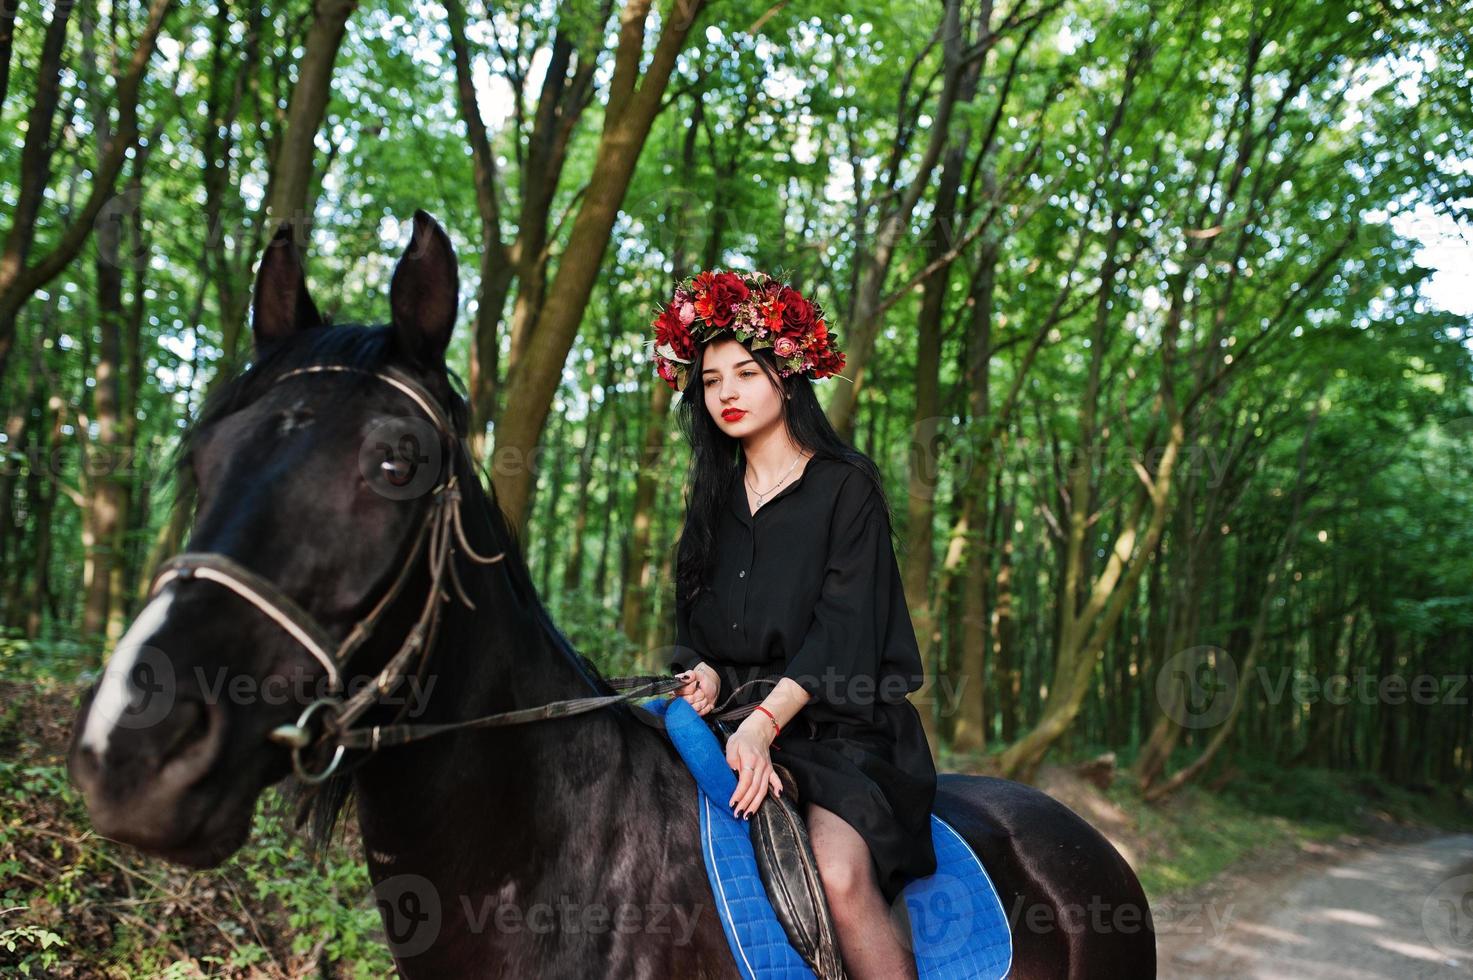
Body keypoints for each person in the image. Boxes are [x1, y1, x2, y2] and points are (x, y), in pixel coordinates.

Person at [650, 270, 937, 980]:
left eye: (745, 372)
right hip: (734, 724)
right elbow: (695, 623)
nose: (726, 393)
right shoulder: (709, 501)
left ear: (787, 376)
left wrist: (763, 724)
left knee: (837, 880)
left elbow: (845, 631)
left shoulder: (846, 488)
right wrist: (707, 671)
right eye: (711, 379)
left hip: (840, 731)